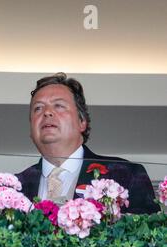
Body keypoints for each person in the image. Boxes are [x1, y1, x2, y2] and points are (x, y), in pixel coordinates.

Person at [16, 72, 160, 214]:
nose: (47, 112)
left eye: (58, 105)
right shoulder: (14, 188)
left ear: (82, 122)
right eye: (38, 108)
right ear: (31, 129)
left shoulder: (127, 174)